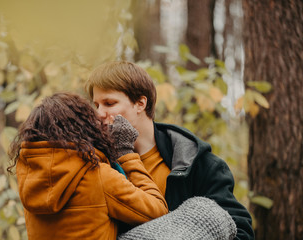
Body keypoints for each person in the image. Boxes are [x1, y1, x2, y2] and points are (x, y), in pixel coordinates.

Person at [86, 60, 255, 240]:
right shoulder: (95, 163)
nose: (99, 113)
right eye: (96, 105)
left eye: (109, 103)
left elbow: (241, 231)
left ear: (140, 103)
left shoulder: (196, 163)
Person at [7, 92, 168, 240]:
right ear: (83, 128)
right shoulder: (97, 175)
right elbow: (158, 212)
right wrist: (126, 152)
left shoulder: (29, 177)